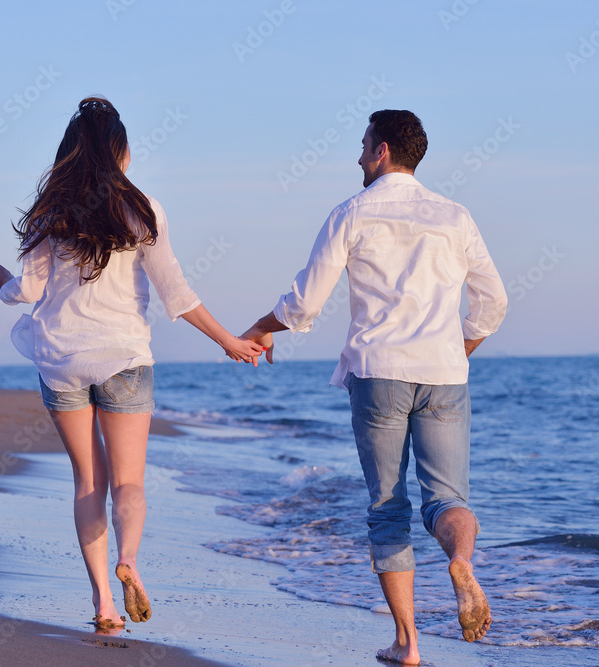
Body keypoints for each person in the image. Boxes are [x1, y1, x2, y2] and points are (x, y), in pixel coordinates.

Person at [0, 96, 263, 629]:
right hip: (124, 358)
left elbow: (30, 289)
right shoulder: (142, 207)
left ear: (70, 154)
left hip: (60, 361)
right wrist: (228, 340)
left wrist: (1, 284)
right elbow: (177, 291)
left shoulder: (50, 211)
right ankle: (128, 560)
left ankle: (104, 605)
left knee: (88, 482)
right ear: (121, 154)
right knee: (129, 483)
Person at [242, 109, 507, 664]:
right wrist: (460, 348)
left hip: (378, 371)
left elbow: (305, 302)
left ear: (382, 150)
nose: (358, 157)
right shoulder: (455, 217)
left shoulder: (352, 212)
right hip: (443, 374)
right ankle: (461, 561)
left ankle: (407, 644)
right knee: (449, 499)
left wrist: (261, 329)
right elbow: (494, 302)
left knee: (389, 507)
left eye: (363, 146)